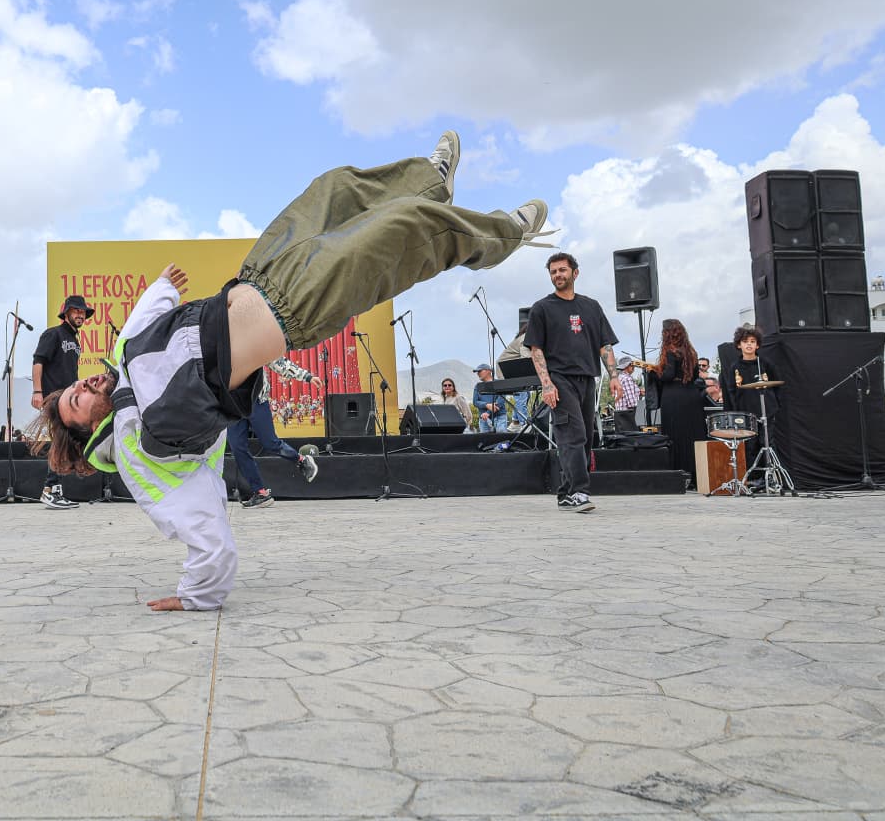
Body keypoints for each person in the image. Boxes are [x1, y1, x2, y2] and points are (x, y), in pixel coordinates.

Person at [30, 136, 552, 609]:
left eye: (74, 385)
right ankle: (507, 235)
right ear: (87, 430)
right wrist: (199, 593)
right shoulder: (136, 449)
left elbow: (140, 321)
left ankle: (431, 179)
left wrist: (164, 286)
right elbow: (195, 517)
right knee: (405, 231)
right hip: (296, 309)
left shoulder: (123, 360)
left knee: (335, 188)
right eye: (75, 400)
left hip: (259, 274)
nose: (80, 385)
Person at [526, 252, 619, 513]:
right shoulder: (542, 308)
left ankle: (566, 493)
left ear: (574, 273)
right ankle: (579, 491)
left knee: (586, 438)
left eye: (562, 270)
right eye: (553, 271)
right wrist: (546, 384)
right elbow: (536, 349)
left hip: (588, 379)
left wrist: (614, 376)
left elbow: (605, 344)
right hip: (559, 379)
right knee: (572, 435)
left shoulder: (591, 306)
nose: (558, 275)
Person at [228, 358, 322, 508]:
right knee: (237, 447)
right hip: (232, 404)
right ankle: (260, 492)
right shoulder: (221, 343)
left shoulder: (255, 342)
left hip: (255, 400)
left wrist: (307, 377)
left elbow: (278, 362)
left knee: (270, 442)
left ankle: (301, 460)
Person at [31, 295, 94, 510]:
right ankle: (50, 490)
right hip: (54, 397)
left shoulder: (75, 341)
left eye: (83, 312)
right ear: (66, 313)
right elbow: (39, 361)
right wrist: (37, 391)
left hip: (67, 397)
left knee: (65, 442)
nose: (80, 315)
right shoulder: (53, 334)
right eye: (76, 311)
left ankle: (55, 490)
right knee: (60, 442)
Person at [649, 318, 708, 483]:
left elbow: (667, 376)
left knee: (674, 436)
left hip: (674, 397)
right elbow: (695, 377)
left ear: (667, 333)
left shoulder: (671, 352)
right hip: (691, 396)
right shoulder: (692, 352)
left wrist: (654, 372)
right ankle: (698, 475)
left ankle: (678, 475)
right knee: (693, 436)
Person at [610, 356, 642, 433]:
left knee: (622, 439)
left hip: (619, 414)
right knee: (631, 439)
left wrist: (639, 392)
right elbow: (631, 402)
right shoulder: (627, 378)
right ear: (626, 366)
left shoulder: (619, 378)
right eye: (631, 365)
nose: (633, 367)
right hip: (628, 415)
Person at [471, 363, 507, 432]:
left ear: (489, 371)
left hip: (499, 417)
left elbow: (501, 400)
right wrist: (486, 405)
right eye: (477, 372)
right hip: (483, 419)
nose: (478, 373)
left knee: (501, 440)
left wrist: (488, 413)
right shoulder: (477, 386)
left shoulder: (499, 383)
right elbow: (475, 402)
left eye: (480, 371)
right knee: (485, 441)